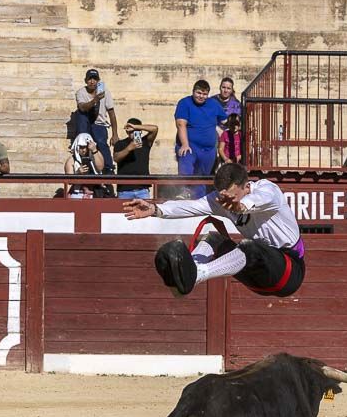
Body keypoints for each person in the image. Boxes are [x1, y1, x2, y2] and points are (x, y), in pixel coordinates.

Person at [123, 162, 304, 298]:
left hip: (288, 272)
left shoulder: (267, 189)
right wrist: (155, 209)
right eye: (222, 195)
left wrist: (241, 205)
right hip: (257, 275)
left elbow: (262, 198)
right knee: (213, 238)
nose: (226, 201)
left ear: (246, 186)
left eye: (231, 196)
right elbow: (190, 207)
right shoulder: (220, 200)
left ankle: (199, 274)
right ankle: (189, 273)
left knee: (249, 247)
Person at [175, 79, 228, 198]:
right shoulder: (184, 103)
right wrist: (184, 144)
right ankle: (184, 191)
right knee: (186, 166)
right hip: (190, 146)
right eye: (198, 93)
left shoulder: (213, 104)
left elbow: (225, 121)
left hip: (208, 150)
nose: (201, 96)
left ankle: (199, 200)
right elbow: (181, 124)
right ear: (193, 91)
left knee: (203, 177)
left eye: (204, 94)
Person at [74, 68, 118, 173]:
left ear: (98, 81)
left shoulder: (105, 92)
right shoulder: (81, 92)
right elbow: (82, 108)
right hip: (86, 123)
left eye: (95, 79)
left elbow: (111, 113)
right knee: (80, 114)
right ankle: (84, 165)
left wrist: (115, 134)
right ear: (86, 81)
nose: (92, 81)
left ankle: (108, 167)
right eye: (90, 79)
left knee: (101, 142)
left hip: (99, 124)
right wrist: (96, 99)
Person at [114, 117, 158, 200]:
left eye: (135, 131)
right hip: (124, 190)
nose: (132, 133)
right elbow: (116, 158)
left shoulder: (145, 142)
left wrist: (135, 127)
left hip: (142, 189)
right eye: (130, 131)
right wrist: (128, 149)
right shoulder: (120, 144)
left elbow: (155, 129)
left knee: (146, 212)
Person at [64, 132, 108, 198]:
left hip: (95, 192)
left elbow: (100, 168)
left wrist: (94, 150)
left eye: (85, 147)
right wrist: (77, 173)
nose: (84, 150)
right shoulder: (71, 160)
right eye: (81, 147)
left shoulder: (97, 154)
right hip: (78, 193)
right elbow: (68, 180)